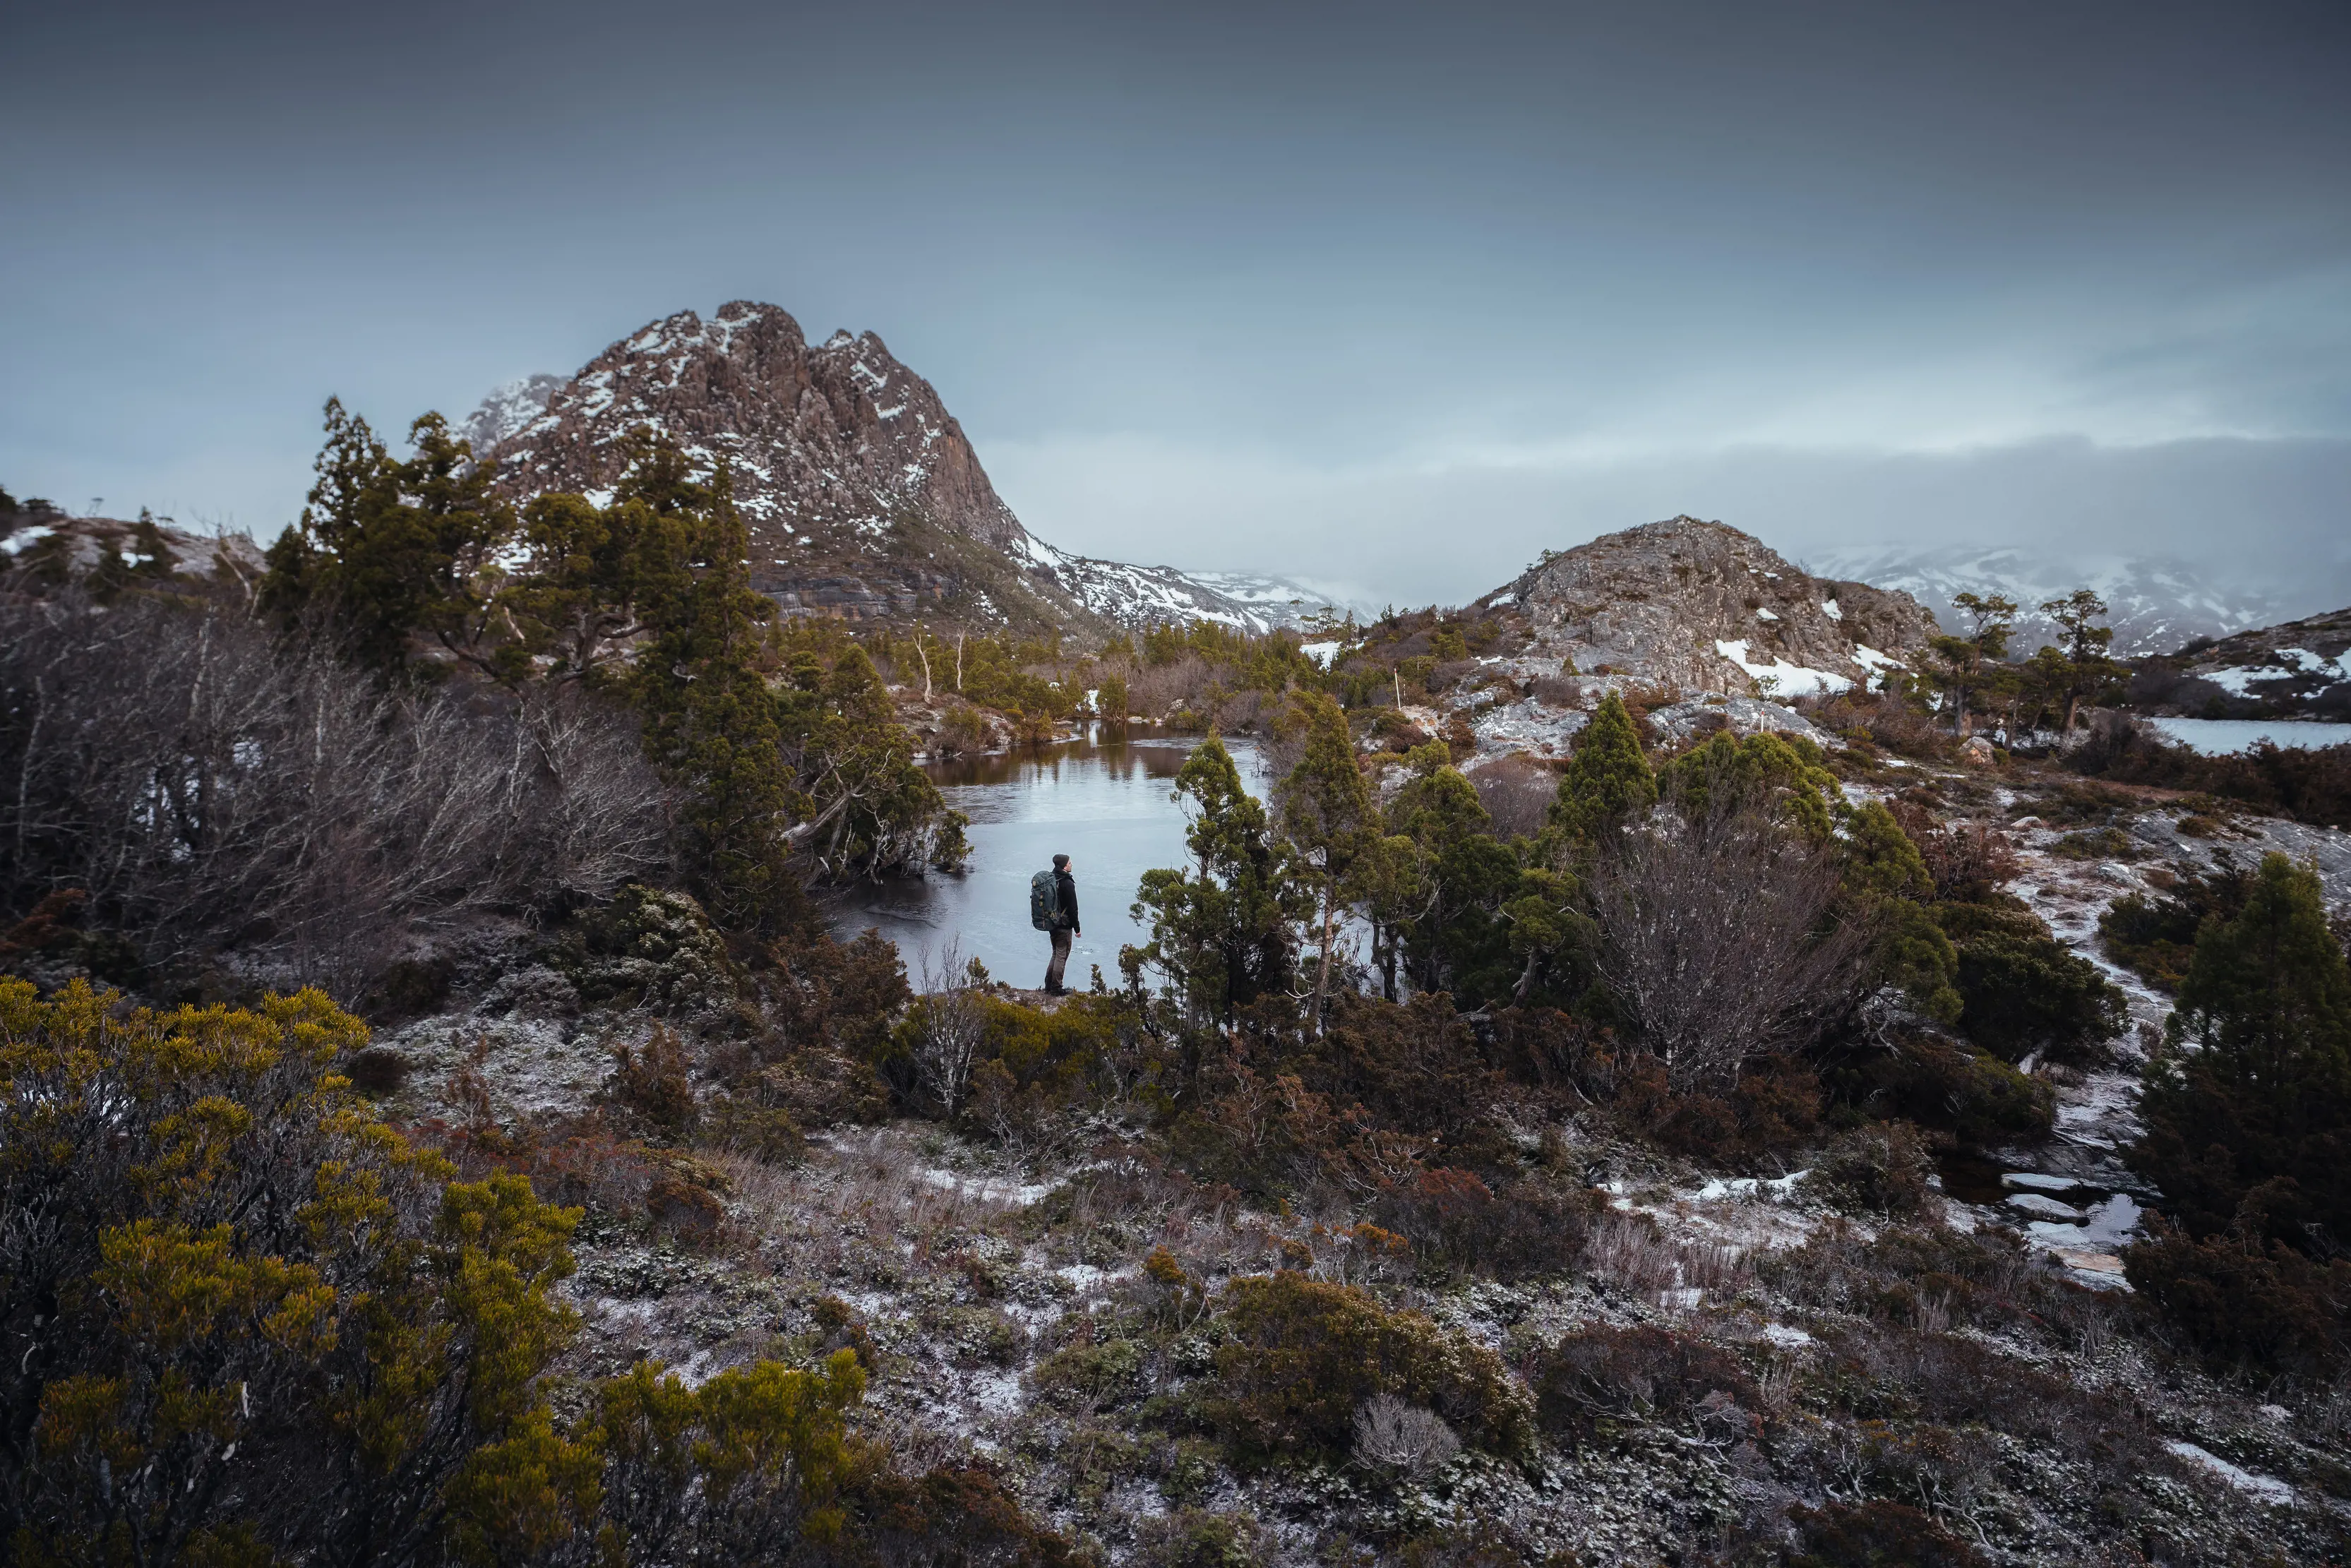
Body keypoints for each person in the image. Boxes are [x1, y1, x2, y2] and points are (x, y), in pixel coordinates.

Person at [1044, 851, 1079, 995]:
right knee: (1062, 955)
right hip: (1064, 926)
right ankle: (1056, 989)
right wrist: (1077, 928)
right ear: (1064, 866)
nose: (1071, 864)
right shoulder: (1067, 883)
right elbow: (1073, 908)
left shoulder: (1051, 879)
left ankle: (1048, 985)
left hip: (1052, 923)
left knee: (1055, 953)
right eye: (1069, 862)